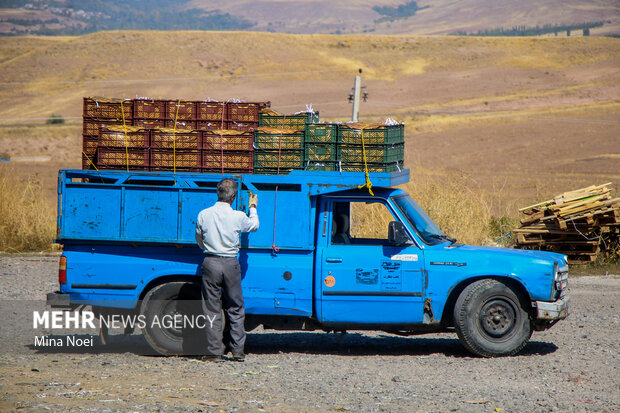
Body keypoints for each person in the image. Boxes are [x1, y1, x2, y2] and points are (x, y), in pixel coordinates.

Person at [195, 179, 259, 362]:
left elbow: (199, 239)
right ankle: (238, 350)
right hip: (231, 263)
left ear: (217, 193)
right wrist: (253, 207)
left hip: (211, 261)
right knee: (236, 307)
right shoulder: (238, 216)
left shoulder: (203, 214)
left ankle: (214, 351)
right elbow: (254, 225)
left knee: (211, 308)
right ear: (233, 196)